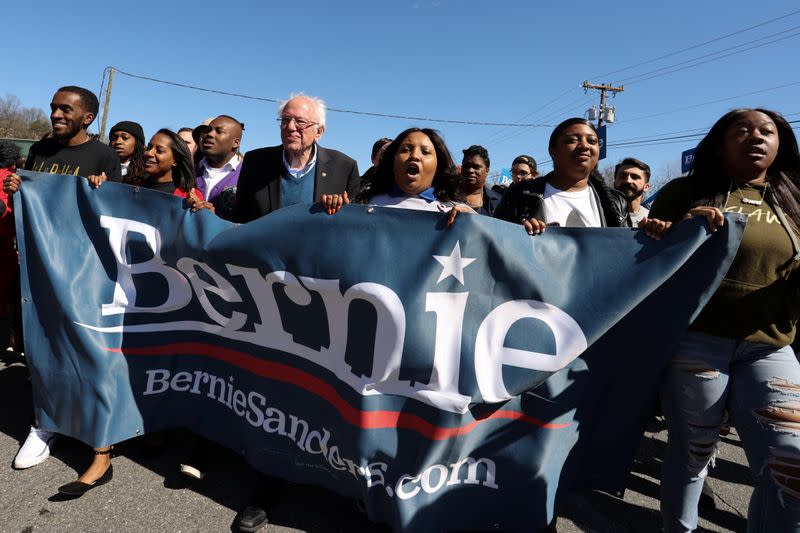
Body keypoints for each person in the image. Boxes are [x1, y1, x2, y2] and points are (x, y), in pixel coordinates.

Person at [641, 108, 800, 532]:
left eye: (767, 131)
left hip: (771, 343)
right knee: (693, 455)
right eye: (742, 130)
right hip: (696, 343)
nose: (756, 137)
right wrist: (675, 231)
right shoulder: (685, 191)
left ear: (780, 143)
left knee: (790, 462)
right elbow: (645, 256)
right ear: (720, 143)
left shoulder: (794, 197)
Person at [2, 85, 121, 495]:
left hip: (82, 271)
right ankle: (45, 423)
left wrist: (102, 188)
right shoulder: (39, 150)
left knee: (86, 349)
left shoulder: (103, 155)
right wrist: (19, 191)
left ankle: (94, 434)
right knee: (42, 344)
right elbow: (31, 205)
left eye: (65, 109)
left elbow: (113, 214)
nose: (56, 113)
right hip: (38, 267)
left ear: (87, 117)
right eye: (53, 107)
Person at [233, 94, 360, 223]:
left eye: (300, 121)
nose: (290, 127)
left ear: (319, 132)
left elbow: (351, 224)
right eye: (285, 119)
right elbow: (240, 219)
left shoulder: (344, 168)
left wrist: (342, 210)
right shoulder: (255, 162)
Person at [494, 118, 629, 232]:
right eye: (573, 140)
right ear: (552, 151)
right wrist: (518, 234)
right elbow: (495, 242)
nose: (584, 146)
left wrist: (646, 234)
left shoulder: (616, 202)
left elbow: (624, 252)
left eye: (592, 141)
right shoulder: (520, 194)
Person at [323, 127, 473, 224]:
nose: (414, 156)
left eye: (425, 152)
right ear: (392, 163)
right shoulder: (364, 205)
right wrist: (336, 213)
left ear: (438, 166)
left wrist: (476, 224)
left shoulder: (456, 213)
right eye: (406, 150)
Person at [195, 115, 243, 219]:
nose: (209, 134)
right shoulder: (190, 172)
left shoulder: (247, 176)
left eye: (219, 131)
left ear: (235, 143)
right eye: (208, 130)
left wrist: (215, 221)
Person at [460, 144, 498, 216]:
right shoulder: (446, 196)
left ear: (487, 171)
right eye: (466, 166)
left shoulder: (498, 202)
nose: (470, 170)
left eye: (476, 167)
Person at [613, 157, 651, 226]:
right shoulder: (598, 215)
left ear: (646, 187)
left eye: (635, 177)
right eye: (622, 176)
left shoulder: (652, 219)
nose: (628, 181)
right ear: (614, 183)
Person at [109, 120, 147, 185]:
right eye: (114, 138)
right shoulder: (101, 167)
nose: (118, 142)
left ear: (137, 143)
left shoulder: (146, 174)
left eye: (125, 138)